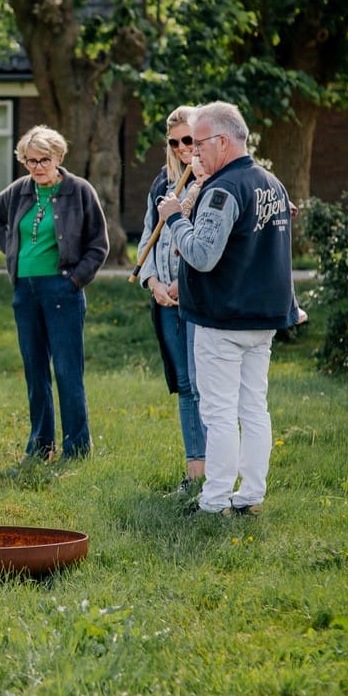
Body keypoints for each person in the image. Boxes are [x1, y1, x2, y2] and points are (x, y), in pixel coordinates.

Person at [156, 102, 295, 515]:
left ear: (223, 141)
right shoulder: (272, 183)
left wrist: (175, 217)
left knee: (218, 414)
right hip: (263, 317)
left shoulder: (222, 189)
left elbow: (201, 254)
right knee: (254, 407)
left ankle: (214, 500)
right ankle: (251, 493)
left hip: (223, 317)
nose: (193, 153)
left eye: (199, 144)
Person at [0, 125, 109, 460]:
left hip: (62, 289)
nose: (37, 167)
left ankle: (77, 448)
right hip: (25, 290)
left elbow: (99, 246)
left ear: (59, 158)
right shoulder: (19, 190)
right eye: (30, 161)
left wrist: (74, 280)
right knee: (35, 370)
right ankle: (41, 446)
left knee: (67, 370)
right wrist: (13, 251)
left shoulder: (79, 191)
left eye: (44, 160)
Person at [135, 106, 207, 492]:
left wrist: (182, 282)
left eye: (189, 140)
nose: (182, 148)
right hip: (164, 298)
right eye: (175, 141)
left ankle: (215, 472)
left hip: (197, 298)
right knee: (183, 384)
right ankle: (194, 473)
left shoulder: (212, 181)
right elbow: (149, 233)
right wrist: (152, 283)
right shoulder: (163, 181)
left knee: (203, 386)